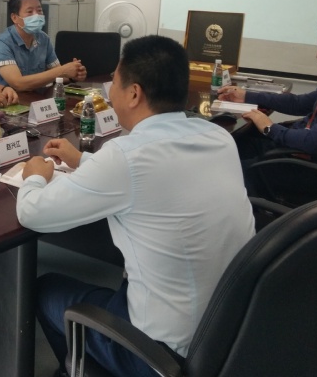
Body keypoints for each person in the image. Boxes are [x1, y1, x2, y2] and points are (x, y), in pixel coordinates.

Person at [16, 35, 255, 377]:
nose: (109, 91)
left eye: (114, 81)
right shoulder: (218, 137)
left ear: (134, 94)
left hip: (162, 352)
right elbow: (158, 177)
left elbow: (33, 213)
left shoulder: (125, 157)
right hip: (230, 331)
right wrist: (83, 160)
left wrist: (34, 177)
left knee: (47, 290)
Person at [218, 10, 317, 196]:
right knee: (230, 145)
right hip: (295, 152)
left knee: (223, 170)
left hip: (307, 170)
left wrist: (269, 127)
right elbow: (299, 103)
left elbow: (312, 142)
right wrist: (247, 96)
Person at [0, 0, 87, 91]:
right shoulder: (1, 44)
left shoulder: (43, 38)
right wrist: (62, 71)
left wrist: (73, 75)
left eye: (39, 10)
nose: (36, 15)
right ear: (14, 18)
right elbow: (18, 84)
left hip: (36, 98)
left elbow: (58, 75)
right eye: (30, 12)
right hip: (6, 100)